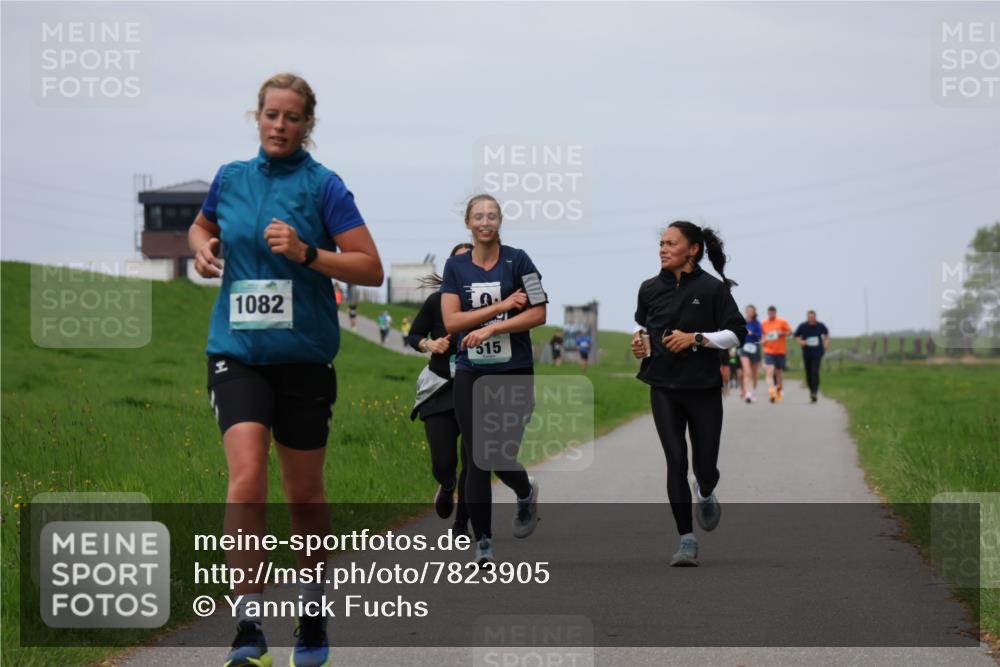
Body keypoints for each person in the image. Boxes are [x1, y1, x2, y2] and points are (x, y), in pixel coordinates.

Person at [189, 72, 384, 667]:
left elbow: (370, 268)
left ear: (308, 125)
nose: (280, 125)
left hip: (303, 358)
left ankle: (313, 606)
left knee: (303, 494)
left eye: (292, 117)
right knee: (246, 477)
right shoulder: (230, 179)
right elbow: (203, 224)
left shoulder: (324, 187)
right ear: (257, 117)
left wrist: (307, 253)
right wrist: (199, 245)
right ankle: (247, 626)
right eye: (271, 114)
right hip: (237, 353)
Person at [441, 194, 547, 566]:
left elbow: (538, 314)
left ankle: (525, 490)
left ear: (500, 221)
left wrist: (495, 329)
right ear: (468, 223)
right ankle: (483, 541)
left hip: (514, 370)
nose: (485, 222)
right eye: (478, 216)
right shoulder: (455, 267)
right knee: (476, 456)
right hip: (471, 370)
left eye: (492, 216)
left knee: (498, 454)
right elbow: (452, 323)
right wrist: (501, 307)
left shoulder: (519, 260)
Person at [631, 221, 745, 567]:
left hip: (703, 388)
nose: (663, 249)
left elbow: (738, 333)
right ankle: (686, 540)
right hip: (663, 387)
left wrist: (696, 338)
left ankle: (706, 492)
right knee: (676, 461)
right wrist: (639, 344)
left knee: (705, 467)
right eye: (661, 243)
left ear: (693, 249)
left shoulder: (713, 289)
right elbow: (642, 326)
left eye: (671, 243)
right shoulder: (649, 288)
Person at [406, 243, 474, 536]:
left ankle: (462, 525)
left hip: (475, 389)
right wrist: (429, 344)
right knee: (443, 461)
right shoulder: (436, 302)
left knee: (473, 464)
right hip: (440, 387)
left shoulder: (489, 304)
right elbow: (414, 334)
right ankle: (446, 485)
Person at [795, 310, 830, 402]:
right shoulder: (802, 326)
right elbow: (796, 336)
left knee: (815, 372)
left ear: (815, 318)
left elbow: (826, 335)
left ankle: (814, 392)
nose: (811, 319)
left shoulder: (820, 326)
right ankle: (811, 391)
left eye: (812, 317)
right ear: (807, 318)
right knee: (808, 374)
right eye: (809, 317)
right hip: (807, 353)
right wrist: (801, 342)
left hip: (817, 353)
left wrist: (826, 343)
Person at [760, 305, 792, 403]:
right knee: (769, 371)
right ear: (768, 313)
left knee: (779, 372)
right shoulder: (763, 323)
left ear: (775, 313)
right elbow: (761, 336)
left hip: (780, 351)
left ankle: (779, 388)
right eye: (770, 313)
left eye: (773, 312)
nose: (771, 314)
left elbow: (790, 332)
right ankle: (772, 391)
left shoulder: (782, 321)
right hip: (768, 351)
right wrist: (763, 339)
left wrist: (782, 333)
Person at [739, 305, 763, 403]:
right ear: (746, 312)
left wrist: (752, 333)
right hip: (744, 349)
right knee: (747, 372)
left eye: (751, 311)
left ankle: (754, 392)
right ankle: (747, 393)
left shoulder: (757, 323)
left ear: (754, 312)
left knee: (754, 374)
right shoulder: (742, 322)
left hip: (755, 349)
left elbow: (760, 336)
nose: (749, 313)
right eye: (748, 311)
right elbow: (738, 334)